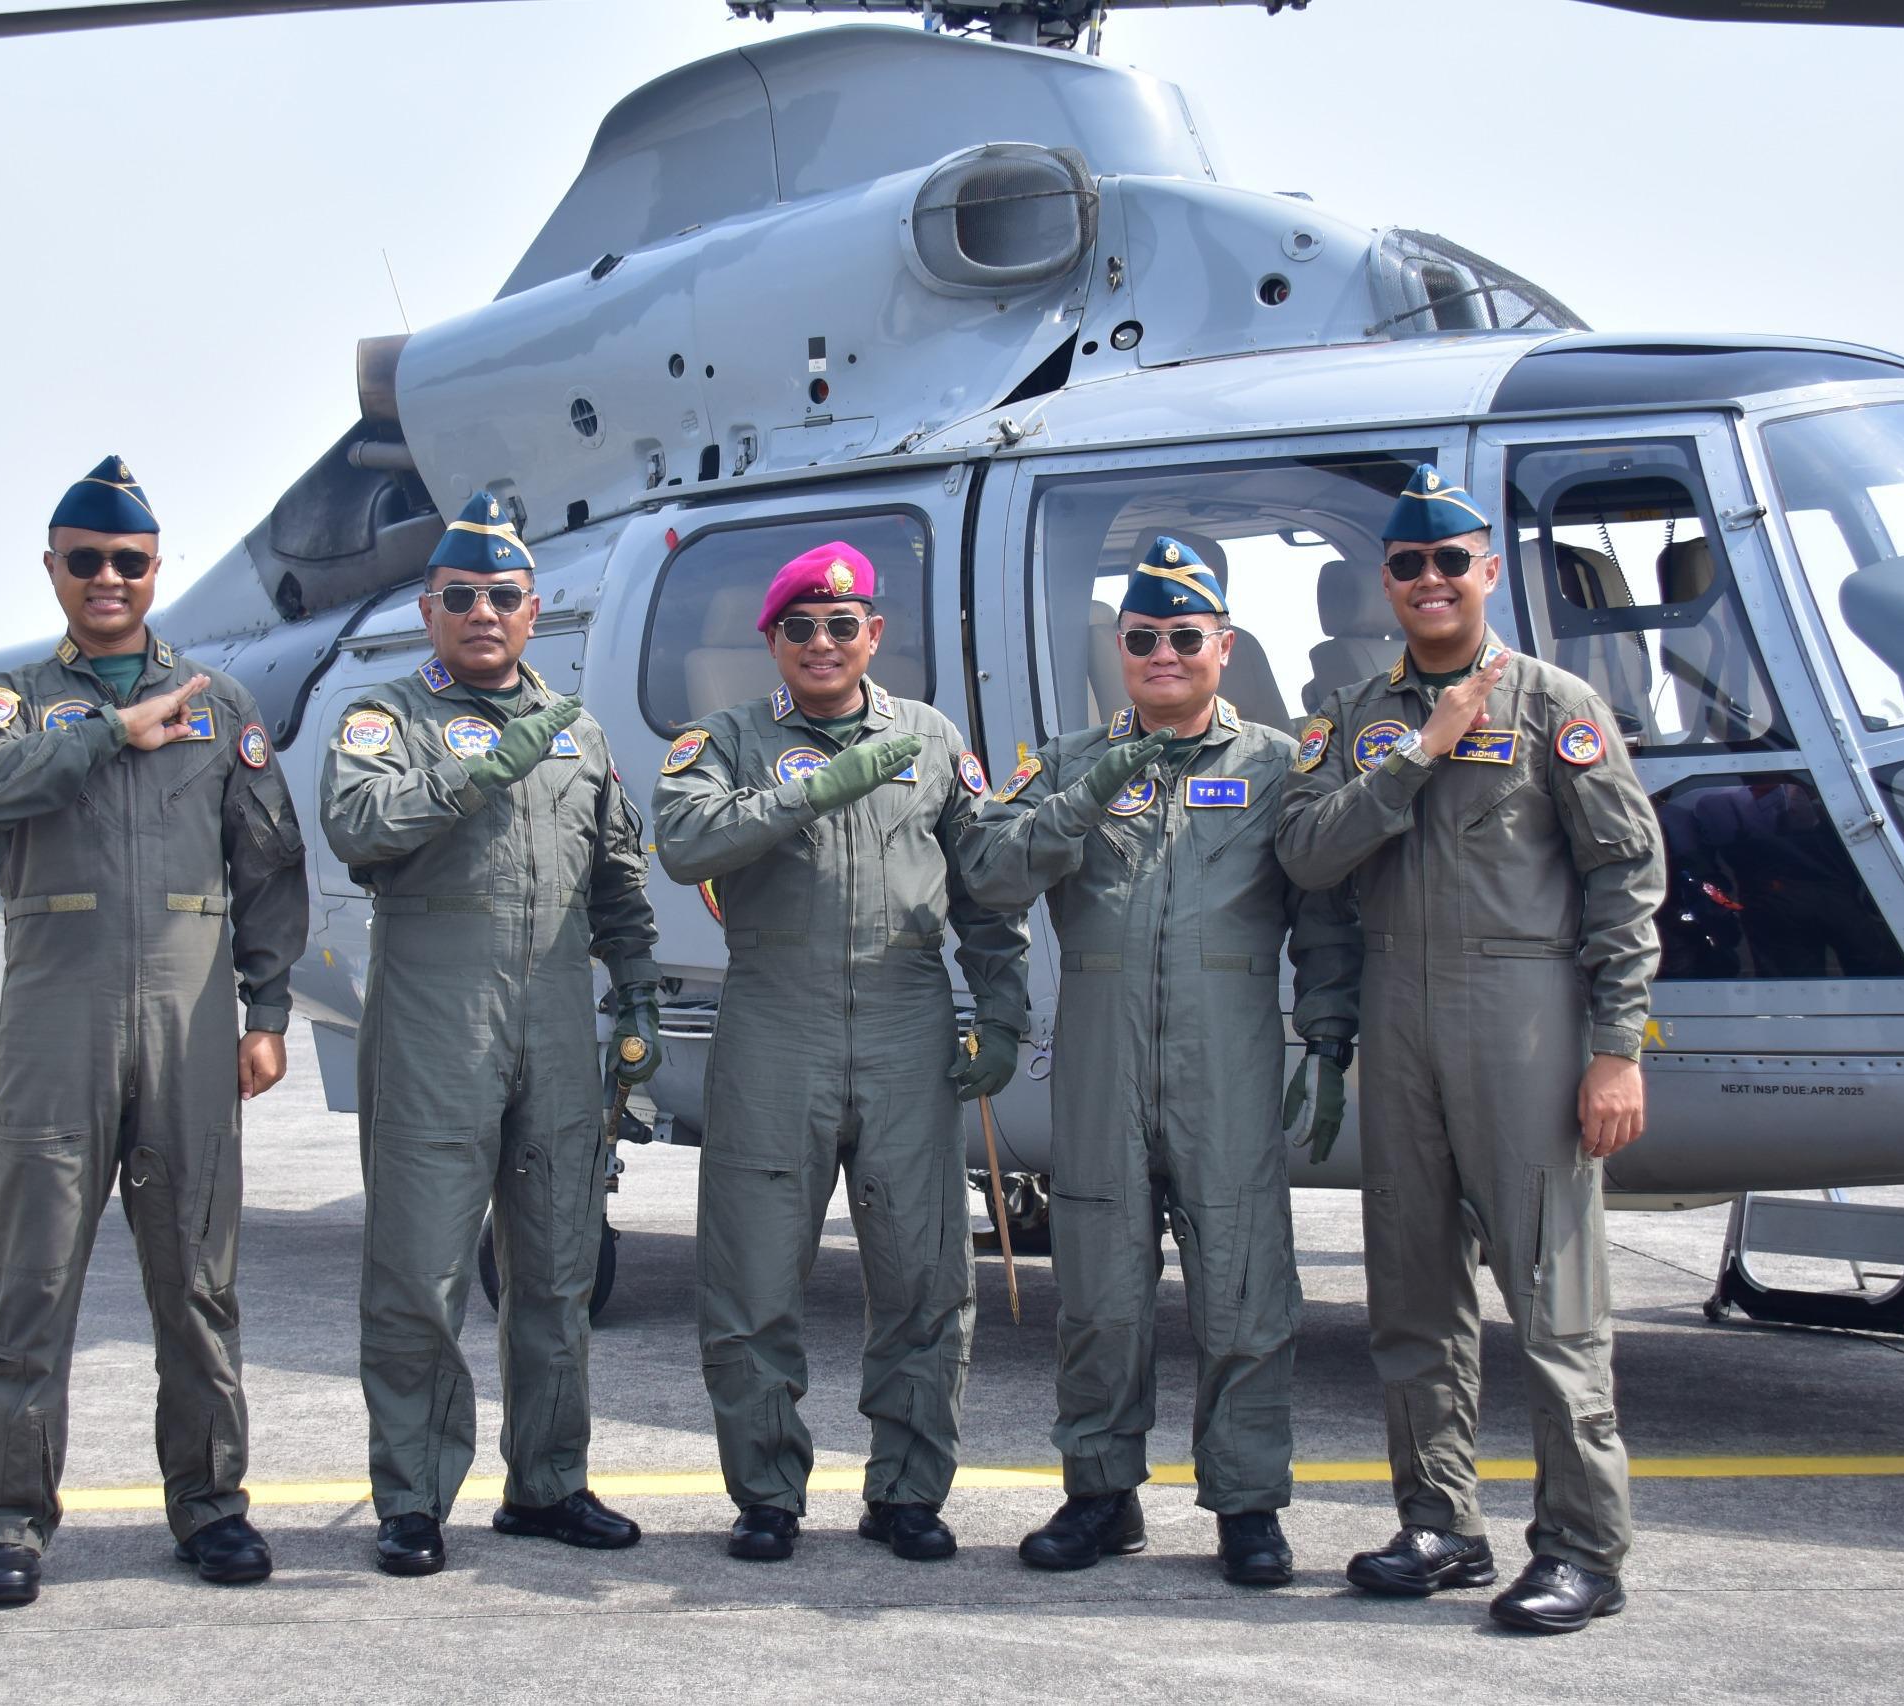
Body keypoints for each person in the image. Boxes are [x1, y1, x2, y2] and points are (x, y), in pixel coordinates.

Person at [1277, 464, 1664, 1634]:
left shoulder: (1553, 705)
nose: (1430, 580)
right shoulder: (1353, 717)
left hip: (1523, 1011)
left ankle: (1583, 1548)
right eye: (1408, 564)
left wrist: (1615, 1046)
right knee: (1410, 1289)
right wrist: (1419, 750)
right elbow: (1308, 857)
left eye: (1451, 561)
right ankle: (1438, 1521)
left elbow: (1624, 874)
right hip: (1397, 1006)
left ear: (1488, 571)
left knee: (1550, 1298)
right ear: (1386, 583)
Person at [959, 536, 1359, 1584]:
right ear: (1121, 651)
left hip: (1226, 1060)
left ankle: (1247, 1505)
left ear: (1224, 645)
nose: (1164, 655)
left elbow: (1324, 912)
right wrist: (1090, 792)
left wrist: (1327, 1033)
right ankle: (1100, 1494)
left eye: (1186, 637)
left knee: (1244, 1284)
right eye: (1142, 639)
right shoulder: (1065, 761)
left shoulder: (1277, 765)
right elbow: (990, 875)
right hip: (1101, 1059)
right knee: (1100, 1287)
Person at [0, 455, 308, 1607]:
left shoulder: (221, 705)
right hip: (55, 1030)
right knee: (29, 1278)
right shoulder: (11, 702)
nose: (108, 577)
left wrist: (267, 1011)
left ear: (155, 570)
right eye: (86, 560)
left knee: (197, 1280)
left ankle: (210, 1503)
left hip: (188, 1029)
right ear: (54, 567)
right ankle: (8, 1518)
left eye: (129, 561)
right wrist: (111, 732)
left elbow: (270, 866)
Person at [653, 541, 1029, 1564]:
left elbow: (983, 887)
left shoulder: (930, 737)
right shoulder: (723, 740)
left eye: (842, 623)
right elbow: (685, 844)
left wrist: (1001, 1008)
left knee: (924, 1274)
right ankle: (767, 1492)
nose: (822, 641)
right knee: (752, 1275)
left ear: (874, 633)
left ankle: (907, 1491)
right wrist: (815, 789)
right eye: (800, 627)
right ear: (772, 640)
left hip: (907, 1018)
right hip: (776, 1019)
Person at [318, 492, 660, 1578]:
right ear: (428, 609)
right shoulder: (384, 717)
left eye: (502, 596)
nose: (482, 613)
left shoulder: (575, 729)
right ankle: (413, 1497)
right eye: (460, 596)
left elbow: (618, 877)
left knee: (555, 1271)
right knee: (420, 1273)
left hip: (554, 1021)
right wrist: (480, 768)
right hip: (436, 1018)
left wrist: (638, 995)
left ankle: (549, 1483)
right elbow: (357, 824)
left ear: (533, 609)